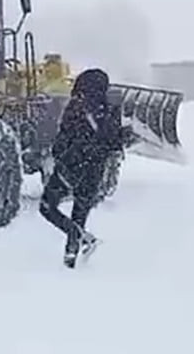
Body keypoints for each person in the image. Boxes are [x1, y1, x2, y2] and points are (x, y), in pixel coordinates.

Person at [38, 68, 127, 268]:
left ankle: (75, 236)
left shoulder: (75, 106)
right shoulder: (109, 109)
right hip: (94, 172)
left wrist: (59, 156)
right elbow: (113, 144)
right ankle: (71, 257)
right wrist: (125, 135)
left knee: (47, 207)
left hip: (70, 167)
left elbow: (63, 137)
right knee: (79, 212)